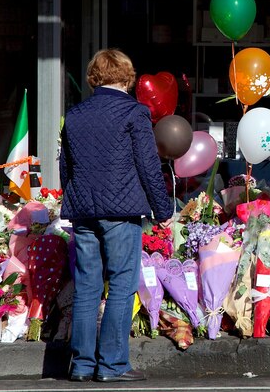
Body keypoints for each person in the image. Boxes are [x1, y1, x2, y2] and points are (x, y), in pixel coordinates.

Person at [59, 48, 175, 382]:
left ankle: (81, 365)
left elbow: (65, 167)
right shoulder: (135, 113)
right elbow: (148, 166)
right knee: (122, 285)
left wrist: (75, 197)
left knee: (86, 287)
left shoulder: (76, 114)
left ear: (94, 77)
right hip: (122, 213)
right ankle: (112, 365)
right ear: (127, 76)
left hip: (83, 211)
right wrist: (163, 208)